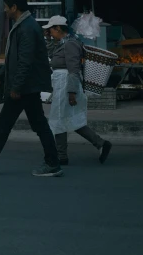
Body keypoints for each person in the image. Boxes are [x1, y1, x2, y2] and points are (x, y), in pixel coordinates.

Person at [0, 0, 63, 177]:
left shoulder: (27, 28)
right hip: (27, 86)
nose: (4, 11)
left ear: (14, 8)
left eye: (5, 7)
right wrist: (1, 74)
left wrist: (16, 87)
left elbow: (25, 62)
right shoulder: (24, 25)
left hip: (24, 87)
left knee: (6, 123)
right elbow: (15, 59)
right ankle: (52, 162)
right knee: (38, 124)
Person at [43, 15, 112, 166]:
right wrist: (48, 39)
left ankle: (61, 156)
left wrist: (72, 92)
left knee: (59, 119)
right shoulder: (62, 43)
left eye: (51, 30)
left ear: (58, 28)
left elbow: (73, 70)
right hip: (61, 84)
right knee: (71, 120)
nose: (49, 32)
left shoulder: (71, 44)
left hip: (66, 85)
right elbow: (51, 56)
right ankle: (100, 143)